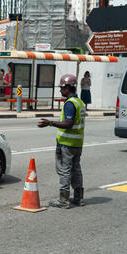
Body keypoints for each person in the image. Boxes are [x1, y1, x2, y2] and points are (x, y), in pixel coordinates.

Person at [37, 74, 86, 209]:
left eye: (61, 88)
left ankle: (63, 200)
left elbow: (68, 123)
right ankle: (78, 198)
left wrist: (50, 123)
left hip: (67, 144)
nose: (60, 90)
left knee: (65, 170)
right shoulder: (80, 102)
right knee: (76, 170)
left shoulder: (70, 104)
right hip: (77, 143)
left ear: (67, 87)